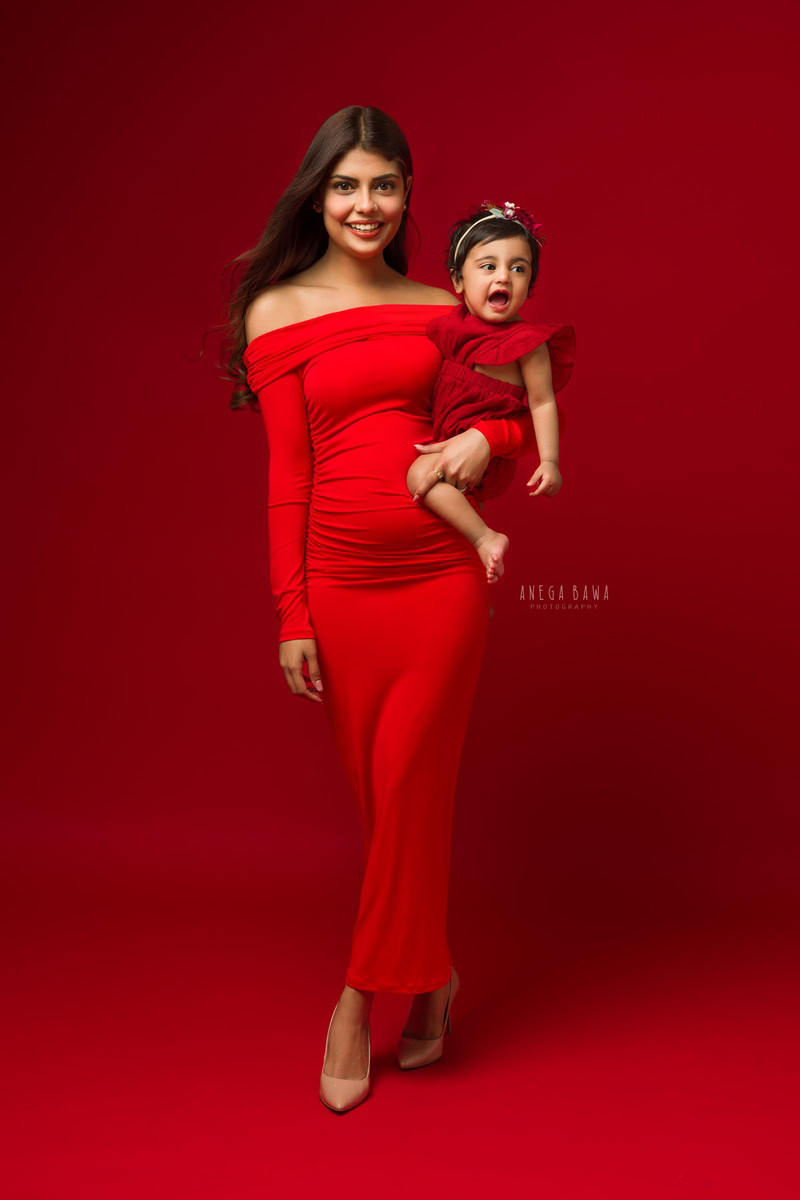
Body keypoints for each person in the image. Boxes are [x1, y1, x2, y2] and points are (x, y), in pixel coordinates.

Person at [225, 106, 539, 1114]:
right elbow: (286, 473)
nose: (366, 205)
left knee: (407, 784)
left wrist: (493, 448)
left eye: (385, 186)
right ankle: (435, 978)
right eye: (347, 185)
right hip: (341, 590)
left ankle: (357, 1000)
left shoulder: (441, 306)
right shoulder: (276, 311)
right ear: (317, 195)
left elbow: (512, 420)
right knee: (383, 804)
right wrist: (291, 611)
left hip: (437, 581)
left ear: (408, 196)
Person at [406, 200, 577, 583]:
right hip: (448, 440)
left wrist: (549, 461)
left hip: (488, 459)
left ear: (529, 286)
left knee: (419, 478)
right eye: (488, 266)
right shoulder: (452, 327)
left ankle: (485, 538)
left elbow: (542, 401)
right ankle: (465, 552)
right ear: (457, 281)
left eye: (518, 269)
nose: (503, 277)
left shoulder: (527, 343)